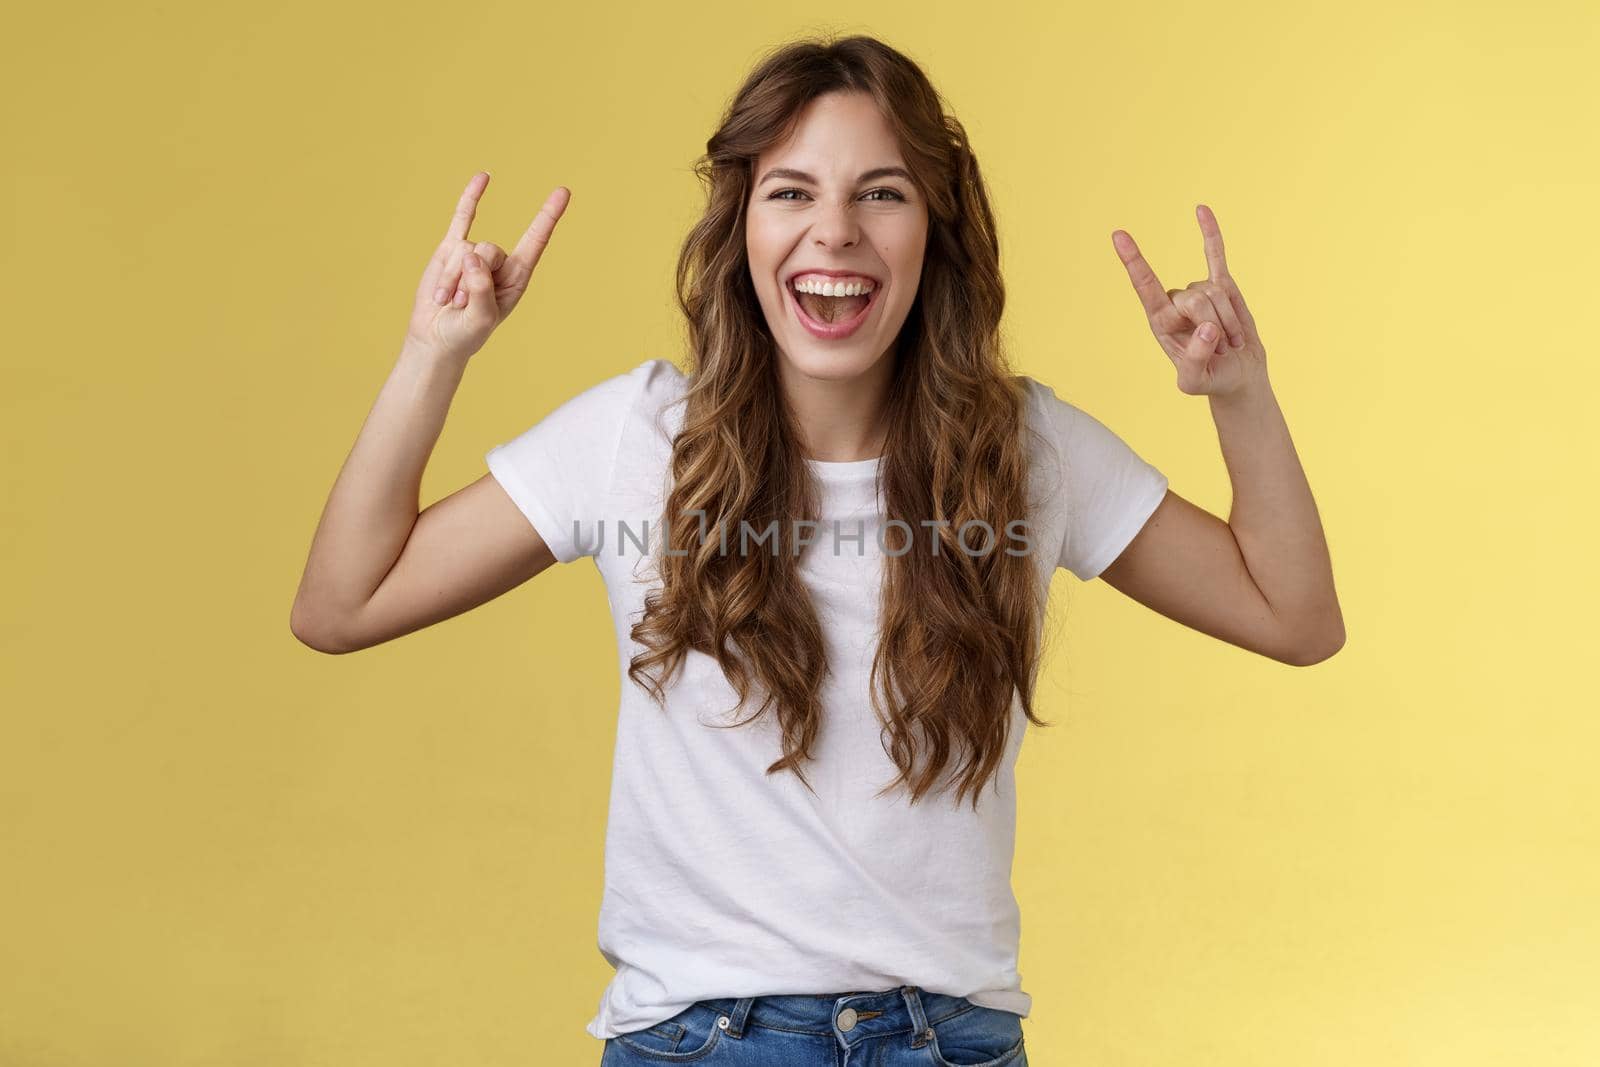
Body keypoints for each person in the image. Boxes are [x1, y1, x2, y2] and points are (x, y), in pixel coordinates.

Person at [290, 33, 1343, 1067]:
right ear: (740, 225)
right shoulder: (637, 438)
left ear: (935, 226)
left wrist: (1238, 393)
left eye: (879, 193)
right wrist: (436, 352)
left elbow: (1292, 617)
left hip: (952, 1040)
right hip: (701, 1040)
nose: (832, 231)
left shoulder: (1022, 450)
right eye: (790, 191)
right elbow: (341, 605)